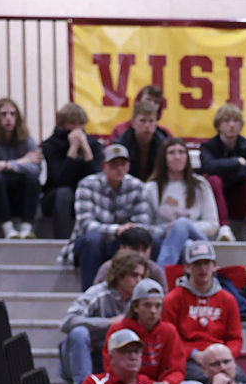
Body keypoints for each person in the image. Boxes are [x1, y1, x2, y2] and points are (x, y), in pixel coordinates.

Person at [59, 249, 147, 384]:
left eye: (141, 276)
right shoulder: (98, 293)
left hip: (109, 358)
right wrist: (107, 323)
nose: (139, 281)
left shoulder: (139, 300)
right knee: (79, 333)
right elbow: (67, 321)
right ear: (120, 275)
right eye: (134, 275)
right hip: (82, 357)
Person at [71, 142, 150, 290]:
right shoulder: (87, 184)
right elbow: (86, 224)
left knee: (151, 240)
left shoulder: (138, 186)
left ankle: (143, 291)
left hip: (124, 242)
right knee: (92, 240)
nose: (119, 169)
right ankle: (89, 293)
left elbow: (143, 223)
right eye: (114, 165)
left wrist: (128, 232)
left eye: (123, 165)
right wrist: (117, 230)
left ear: (128, 167)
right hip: (93, 242)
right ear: (103, 167)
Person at [163, 237, 244, 358]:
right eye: (197, 263)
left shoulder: (228, 300)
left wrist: (226, 356)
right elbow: (169, 340)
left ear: (214, 266)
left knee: (236, 371)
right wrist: (194, 354)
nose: (203, 268)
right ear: (187, 267)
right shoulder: (173, 299)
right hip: (187, 358)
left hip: (220, 358)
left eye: (207, 263)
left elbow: (235, 338)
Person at [144, 138, 221, 264]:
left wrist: (183, 227)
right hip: (163, 239)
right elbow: (145, 226)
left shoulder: (200, 185)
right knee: (186, 245)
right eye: (171, 153)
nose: (177, 157)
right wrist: (166, 230)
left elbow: (213, 224)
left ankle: (163, 270)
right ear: (163, 158)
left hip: (196, 238)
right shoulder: (151, 188)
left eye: (181, 152)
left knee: (183, 228)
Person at [103, 279, 186, 384]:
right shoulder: (118, 330)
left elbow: (177, 369)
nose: (153, 311)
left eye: (158, 306)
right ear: (135, 307)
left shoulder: (169, 331)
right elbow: (112, 368)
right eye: (147, 305)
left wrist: (168, 383)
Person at [0, 97, 42, 238]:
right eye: (3, 114)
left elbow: (36, 168)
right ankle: (8, 229)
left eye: (12, 114)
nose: (8, 118)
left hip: (19, 192)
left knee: (32, 178)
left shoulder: (27, 139)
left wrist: (3, 165)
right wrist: (22, 161)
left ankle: (26, 229)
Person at [199, 102, 246, 239]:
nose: (232, 125)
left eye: (235, 120)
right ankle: (223, 227)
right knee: (214, 180)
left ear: (241, 125)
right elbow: (208, 167)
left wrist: (225, 171)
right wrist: (236, 162)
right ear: (218, 125)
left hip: (240, 198)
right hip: (217, 201)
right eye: (227, 120)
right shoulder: (208, 146)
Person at [40, 103, 103, 239]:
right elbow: (60, 179)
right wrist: (72, 150)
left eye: (80, 124)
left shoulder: (94, 145)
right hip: (55, 197)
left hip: (84, 194)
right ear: (62, 125)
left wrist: (86, 151)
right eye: (72, 123)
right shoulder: (50, 145)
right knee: (64, 193)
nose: (77, 129)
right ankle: (62, 241)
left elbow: (97, 180)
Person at [93, 224, 167, 291]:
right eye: (135, 249)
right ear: (122, 248)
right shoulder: (108, 268)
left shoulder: (155, 271)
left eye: (144, 250)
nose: (140, 254)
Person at [116, 97, 168, 182]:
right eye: (143, 121)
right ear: (133, 123)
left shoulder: (163, 145)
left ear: (156, 123)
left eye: (151, 121)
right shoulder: (122, 144)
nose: (147, 125)